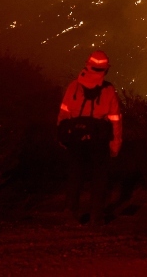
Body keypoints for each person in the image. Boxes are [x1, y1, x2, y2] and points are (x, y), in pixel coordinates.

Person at [56, 50, 123, 224]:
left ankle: (70, 211)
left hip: (75, 139)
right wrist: (115, 145)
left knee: (74, 176)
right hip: (99, 141)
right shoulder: (108, 90)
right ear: (105, 70)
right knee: (99, 179)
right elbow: (115, 120)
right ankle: (95, 216)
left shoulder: (74, 87)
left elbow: (63, 115)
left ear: (87, 65)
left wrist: (62, 136)